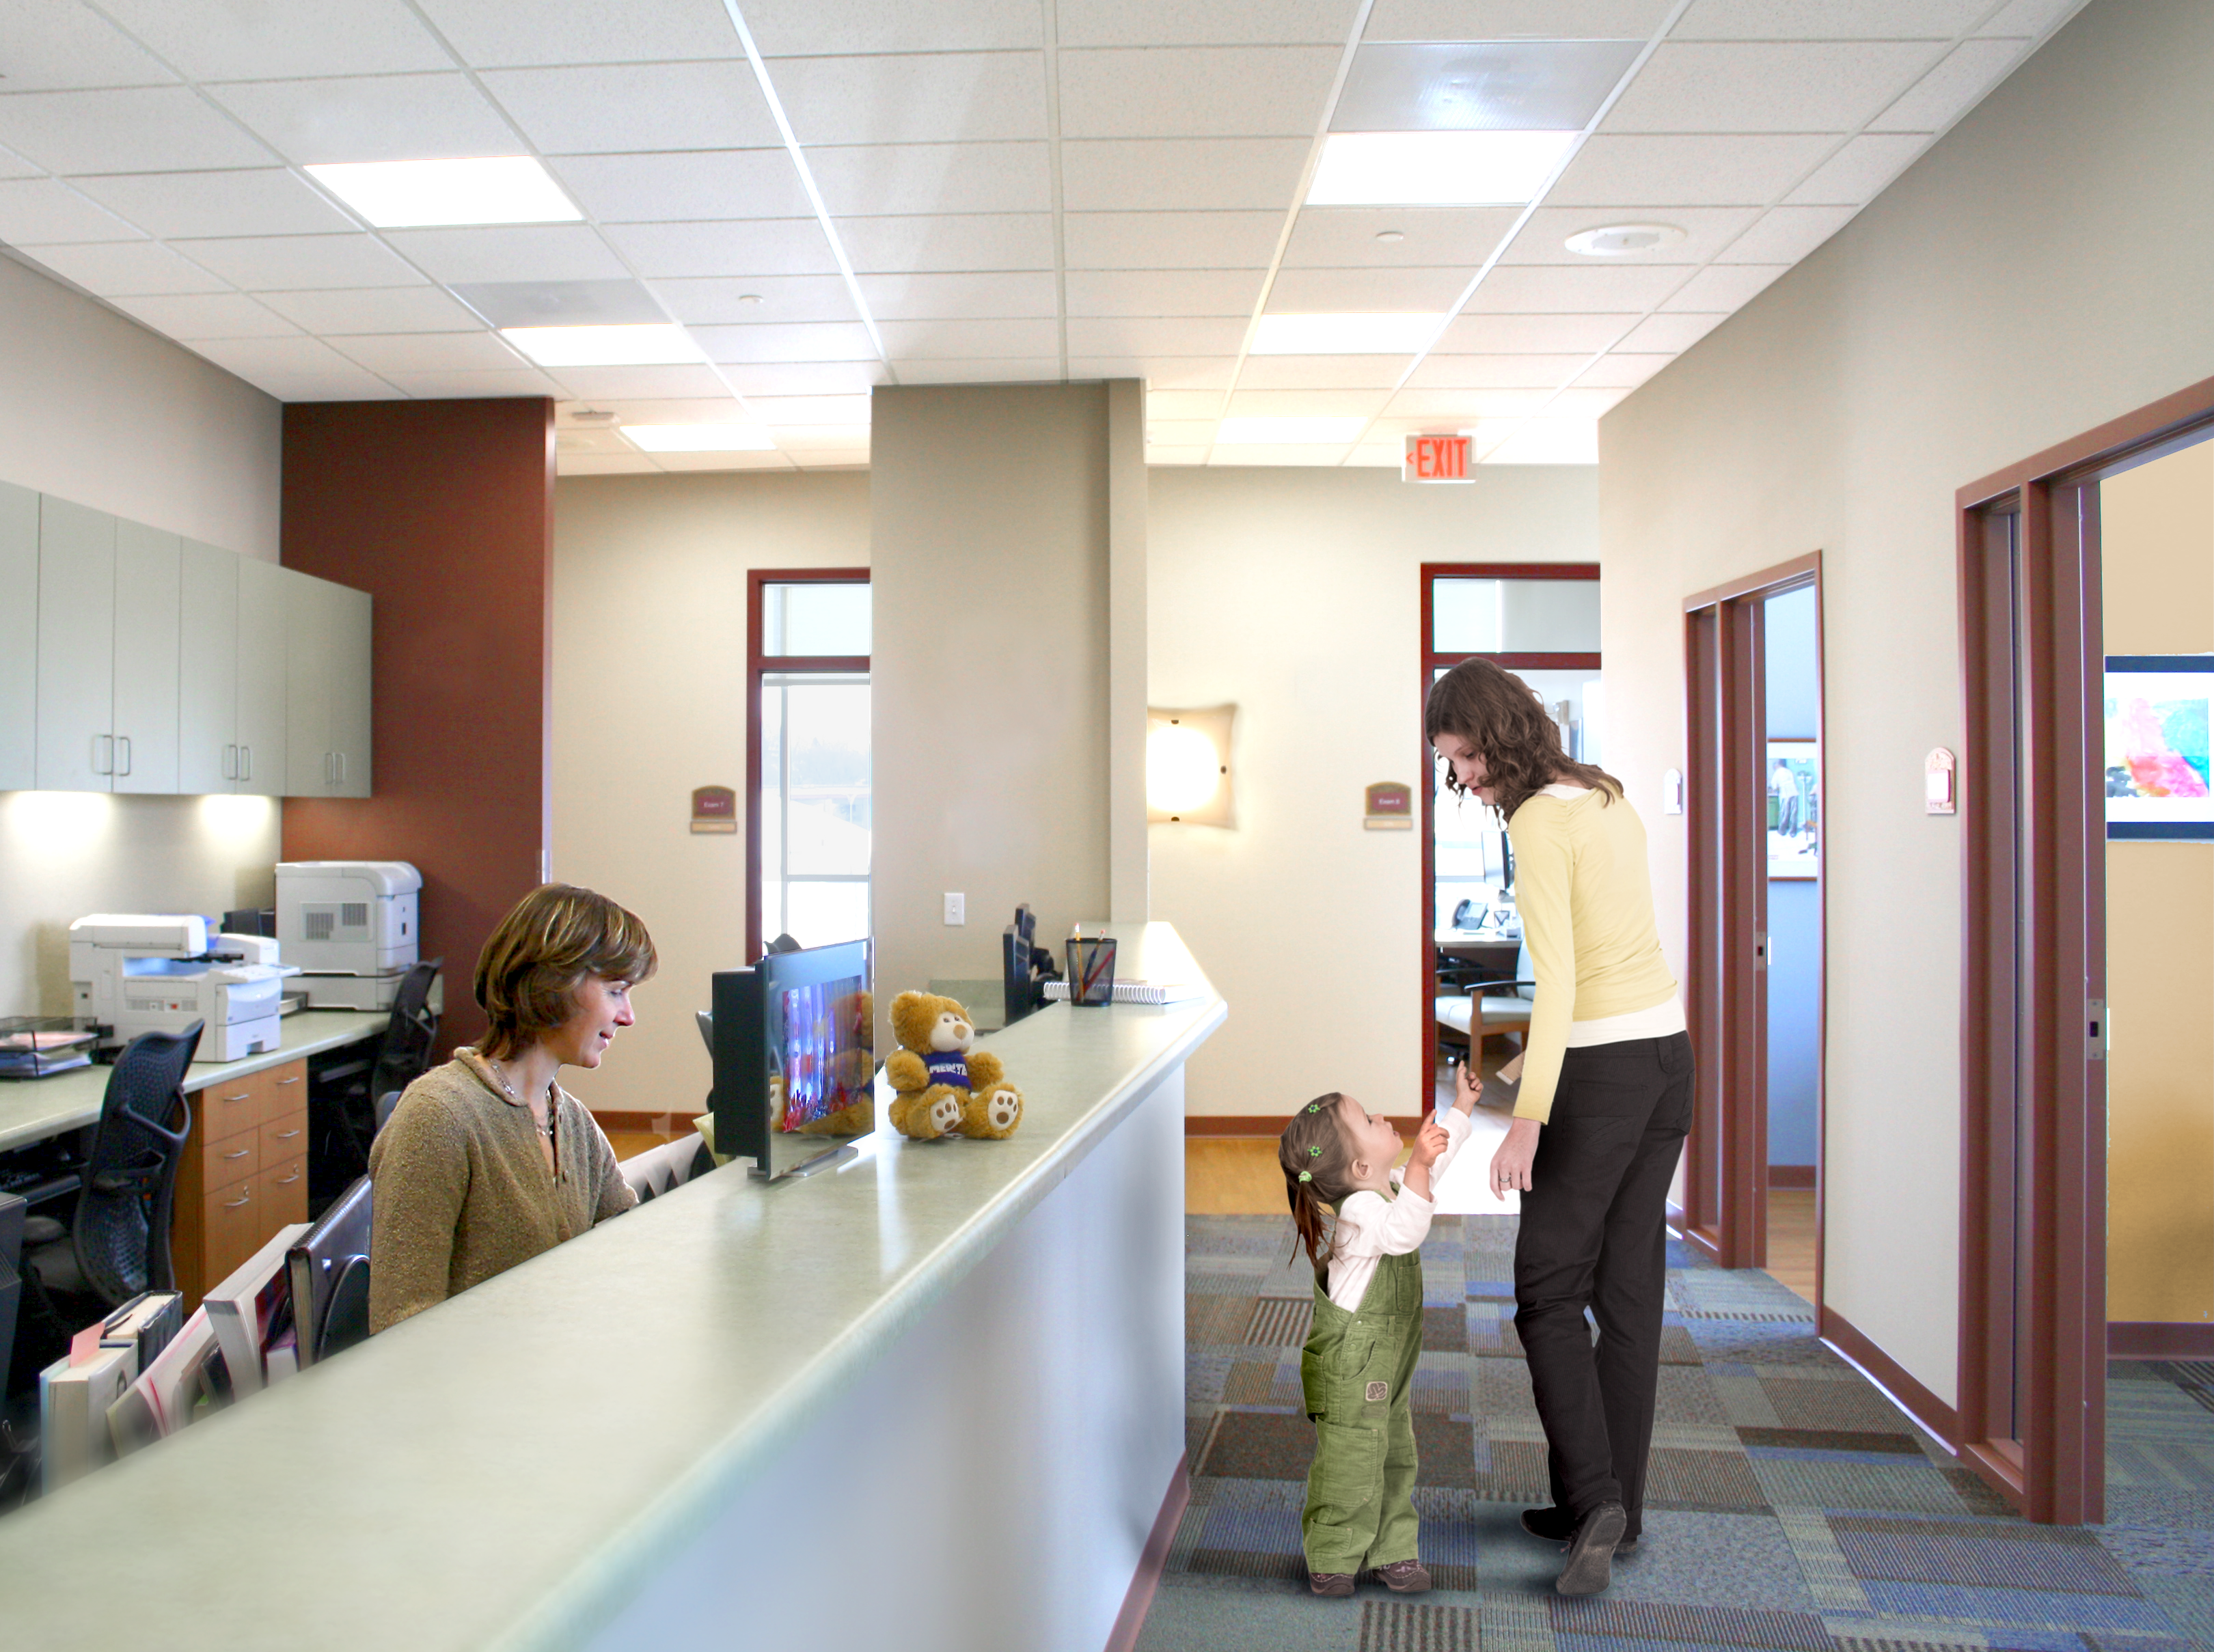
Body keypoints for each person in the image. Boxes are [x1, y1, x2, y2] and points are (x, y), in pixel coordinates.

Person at [1425, 656, 1692, 1597]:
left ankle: (1594, 1497)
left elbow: (1565, 981)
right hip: (1668, 1058)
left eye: (1461, 756)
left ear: (1494, 737)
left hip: (1603, 1069)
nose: (1458, 776)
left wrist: (1524, 1119)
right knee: (1626, 1292)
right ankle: (1615, 1502)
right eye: (1449, 762)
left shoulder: (1538, 821)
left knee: (1544, 1290)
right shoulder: (1603, 794)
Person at [367, 883, 656, 1333]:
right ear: (555, 984)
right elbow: (400, 1323)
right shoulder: (437, 1117)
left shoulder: (570, 1119)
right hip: (477, 1393)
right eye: (617, 991)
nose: (628, 1016)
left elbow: (626, 1244)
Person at [1277, 1064, 1479, 1597]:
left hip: (1384, 1362)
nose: (1383, 1115)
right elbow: (1406, 1232)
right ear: (1362, 1164)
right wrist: (1417, 1163)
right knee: (1349, 1462)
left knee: (1394, 1453)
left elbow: (1430, 1174)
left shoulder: (1386, 1186)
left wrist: (1461, 1111)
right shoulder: (1364, 1212)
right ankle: (1332, 1555)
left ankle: (1393, 1551)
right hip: (1351, 1366)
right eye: (1368, 1118)